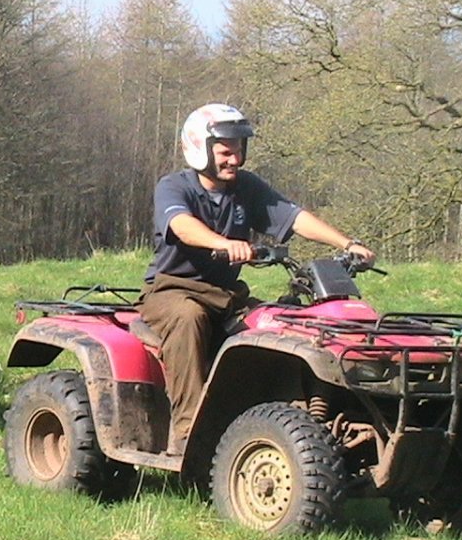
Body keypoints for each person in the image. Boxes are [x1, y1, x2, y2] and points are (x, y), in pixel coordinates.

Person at [137, 103, 375, 456]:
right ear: (198, 149)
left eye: (239, 150)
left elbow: (294, 218)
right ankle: (188, 433)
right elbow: (181, 226)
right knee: (189, 319)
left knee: (280, 325)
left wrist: (348, 243)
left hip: (227, 294)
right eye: (225, 151)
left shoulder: (246, 187)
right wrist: (224, 244)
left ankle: (284, 421)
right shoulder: (174, 186)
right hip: (172, 289)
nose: (235, 159)